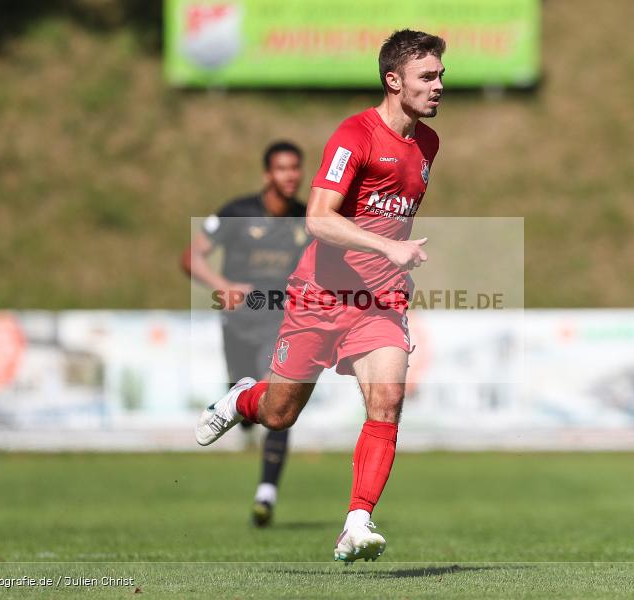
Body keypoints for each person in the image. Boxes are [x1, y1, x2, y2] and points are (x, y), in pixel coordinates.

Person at [196, 29, 445, 562]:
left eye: (441, 74)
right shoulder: (354, 135)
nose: (439, 84)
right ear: (393, 80)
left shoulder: (428, 143)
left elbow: (389, 219)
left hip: (379, 302)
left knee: (388, 401)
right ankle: (242, 397)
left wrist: (393, 262)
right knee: (279, 413)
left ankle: (357, 522)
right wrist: (388, 246)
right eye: (428, 76)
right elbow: (317, 219)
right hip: (319, 296)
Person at [184, 140, 308, 527]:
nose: (291, 176)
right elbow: (191, 257)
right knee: (248, 398)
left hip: (280, 319)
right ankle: (239, 401)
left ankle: (265, 494)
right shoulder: (237, 212)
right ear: (267, 174)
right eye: (283, 169)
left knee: (279, 399)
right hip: (238, 321)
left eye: (296, 168)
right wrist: (222, 285)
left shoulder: (308, 218)